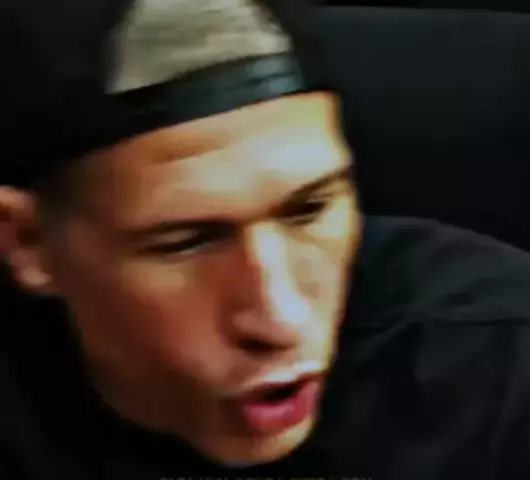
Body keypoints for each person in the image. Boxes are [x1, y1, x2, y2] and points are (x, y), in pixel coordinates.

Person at [1, 1, 530, 478]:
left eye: (310, 211)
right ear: (27, 242)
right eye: (186, 242)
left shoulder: (495, 371)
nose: (282, 320)